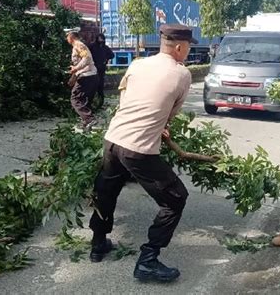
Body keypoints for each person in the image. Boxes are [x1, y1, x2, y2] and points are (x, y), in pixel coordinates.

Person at [88, 24, 197, 282]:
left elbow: (125, 99)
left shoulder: (137, 64)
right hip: (138, 149)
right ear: (180, 47)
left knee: (106, 190)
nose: (188, 51)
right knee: (175, 198)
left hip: (113, 140)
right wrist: (160, 125)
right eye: (189, 46)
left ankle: (98, 242)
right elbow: (170, 113)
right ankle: (148, 260)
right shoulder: (182, 74)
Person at [66, 31, 99, 130]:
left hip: (87, 76)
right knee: (83, 100)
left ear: (71, 37)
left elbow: (86, 58)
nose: (66, 39)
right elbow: (80, 65)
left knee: (75, 98)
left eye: (67, 37)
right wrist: (73, 77)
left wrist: (76, 69)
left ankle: (89, 119)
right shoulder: (77, 46)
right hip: (89, 75)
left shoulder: (78, 45)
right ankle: (86, 123)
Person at [89, 33, 115, 109]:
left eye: (102, 39)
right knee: (93, 86)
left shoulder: (105, 48)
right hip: (93, 69)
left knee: (100, 86)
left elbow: (112, 55)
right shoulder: (92, 46)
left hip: (101, 70)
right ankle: (92, 102)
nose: (101, 40)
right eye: (99, 38)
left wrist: (106, 59)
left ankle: (100, 103)